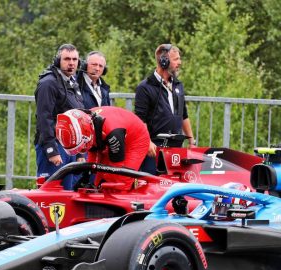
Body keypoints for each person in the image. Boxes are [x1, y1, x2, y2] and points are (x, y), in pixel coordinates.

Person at [135, 43, 195, 174]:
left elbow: (183, 115)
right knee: (153, 187)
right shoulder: (145, 87)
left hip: (176, 149)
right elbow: (140, 120)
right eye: (175, 59)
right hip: (154, 148)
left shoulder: (178, 85)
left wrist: (192, 141)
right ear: (163, 61)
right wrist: (148, 142)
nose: (179, 62)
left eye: (179, 58)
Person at [55, 106, 150, 189]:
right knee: (98, 181)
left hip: (136, 139)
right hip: (110, 135)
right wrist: (86, 176)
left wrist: (105, 182)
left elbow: (117, 167)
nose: (83, 149)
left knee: (121, 181)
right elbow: (93, 156)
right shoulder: (86, 122)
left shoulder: (113, 133)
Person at [34, 43, 85, 189]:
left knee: (68, 195)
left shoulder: (71, 82)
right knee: (52, 195)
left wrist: (81, 152)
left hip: (70, 147)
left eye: (74, 60)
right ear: (58, 61)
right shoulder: (48, 83)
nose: (71, 63)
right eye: (67, 59)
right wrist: (51, 150)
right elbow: (44, 119)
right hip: (54, 146)